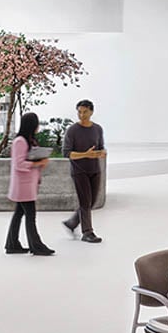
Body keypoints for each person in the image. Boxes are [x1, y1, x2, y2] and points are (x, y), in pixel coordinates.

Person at [5, 112, 54, 256]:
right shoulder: (20, 141)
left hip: (27, 185)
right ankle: (36, 246)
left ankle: (12, 244)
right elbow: (19, 164)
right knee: (30, 216)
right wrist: (38, 163)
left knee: (19, 213)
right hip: (23, 186)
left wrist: (40, 161)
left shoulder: (29, 140)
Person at [62, 99, 106, 244]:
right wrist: (85, 154)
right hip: (79, 171)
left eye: (85, 112)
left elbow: (100, 147)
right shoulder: (72, 130)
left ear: (91, 112)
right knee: (85, 202)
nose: (82, 115)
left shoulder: (98, 129)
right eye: (79, 112)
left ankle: (72, 222)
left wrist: (101, 153)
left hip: (95, 170)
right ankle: (87, 232)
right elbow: (67, 153)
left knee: (91, 202)